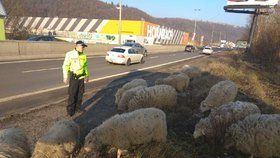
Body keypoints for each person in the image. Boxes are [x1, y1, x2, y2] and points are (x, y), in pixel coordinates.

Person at [62, 41, 89, 116]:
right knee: (72, 94)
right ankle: (70, 110)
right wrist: (65, 77)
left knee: (80, 94)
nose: (83, 48)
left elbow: (85, 66)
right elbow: (65, 66)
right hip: (74, 77)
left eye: (84, 47)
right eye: (82, 46)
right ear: (77, 46)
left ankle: (77, 108)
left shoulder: (84, 55)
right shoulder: (70, 54)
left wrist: (87, 75)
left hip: (81, 77)